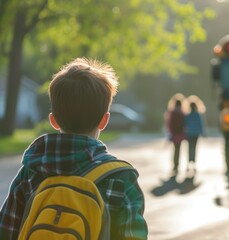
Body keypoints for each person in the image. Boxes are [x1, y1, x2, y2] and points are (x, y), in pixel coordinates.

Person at [0, 58, 148, 240]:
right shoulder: (120, 178)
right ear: (104, 120)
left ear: (53, 120)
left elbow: (6, 230)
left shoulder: (30, 171)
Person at [165, 94, 186, 175]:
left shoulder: (172, 113)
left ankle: (175, 165)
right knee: (178, 150)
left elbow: (169, 124)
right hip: (180, 135)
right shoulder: (182, 113)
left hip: (174, 134)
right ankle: (177, 165)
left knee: (175, 150)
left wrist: (170, 132)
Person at [185, 96, 206, 174]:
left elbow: (184, 124)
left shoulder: (188, 115)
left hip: (189, 134)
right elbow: (201, 125)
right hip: (195, 134)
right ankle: (193, 164)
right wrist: (203, 132)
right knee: (194, 148)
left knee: (190, 148)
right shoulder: (197, 115)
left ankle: (189, 164)